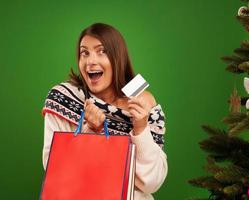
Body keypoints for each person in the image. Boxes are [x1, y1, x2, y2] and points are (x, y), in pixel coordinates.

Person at [42, 22, 167, 200]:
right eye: (84, 52)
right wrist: (90, 131)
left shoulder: (144, 108)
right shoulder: (64, 98)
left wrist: (140, 128)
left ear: (118, 58)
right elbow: (54, 168)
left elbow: (152, 182)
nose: (91, 61)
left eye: (102, 51)